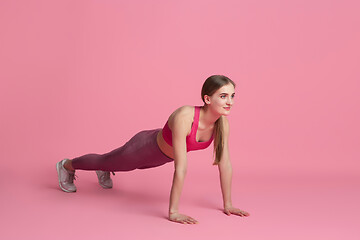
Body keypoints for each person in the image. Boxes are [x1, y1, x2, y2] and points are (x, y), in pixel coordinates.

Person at [56, 75, 250, 224]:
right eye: (223, 96)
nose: (230, 101)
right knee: (105, 160)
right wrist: (173, 212)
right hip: (143, 148)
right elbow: (181, 167)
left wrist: (228, 204)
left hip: (160, 158)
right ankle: (67, 165)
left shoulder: (222, 124)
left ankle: (104, 169)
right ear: (207, 99)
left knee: (115, 163)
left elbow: (225, 165)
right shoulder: (185, 116)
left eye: (232, 95)